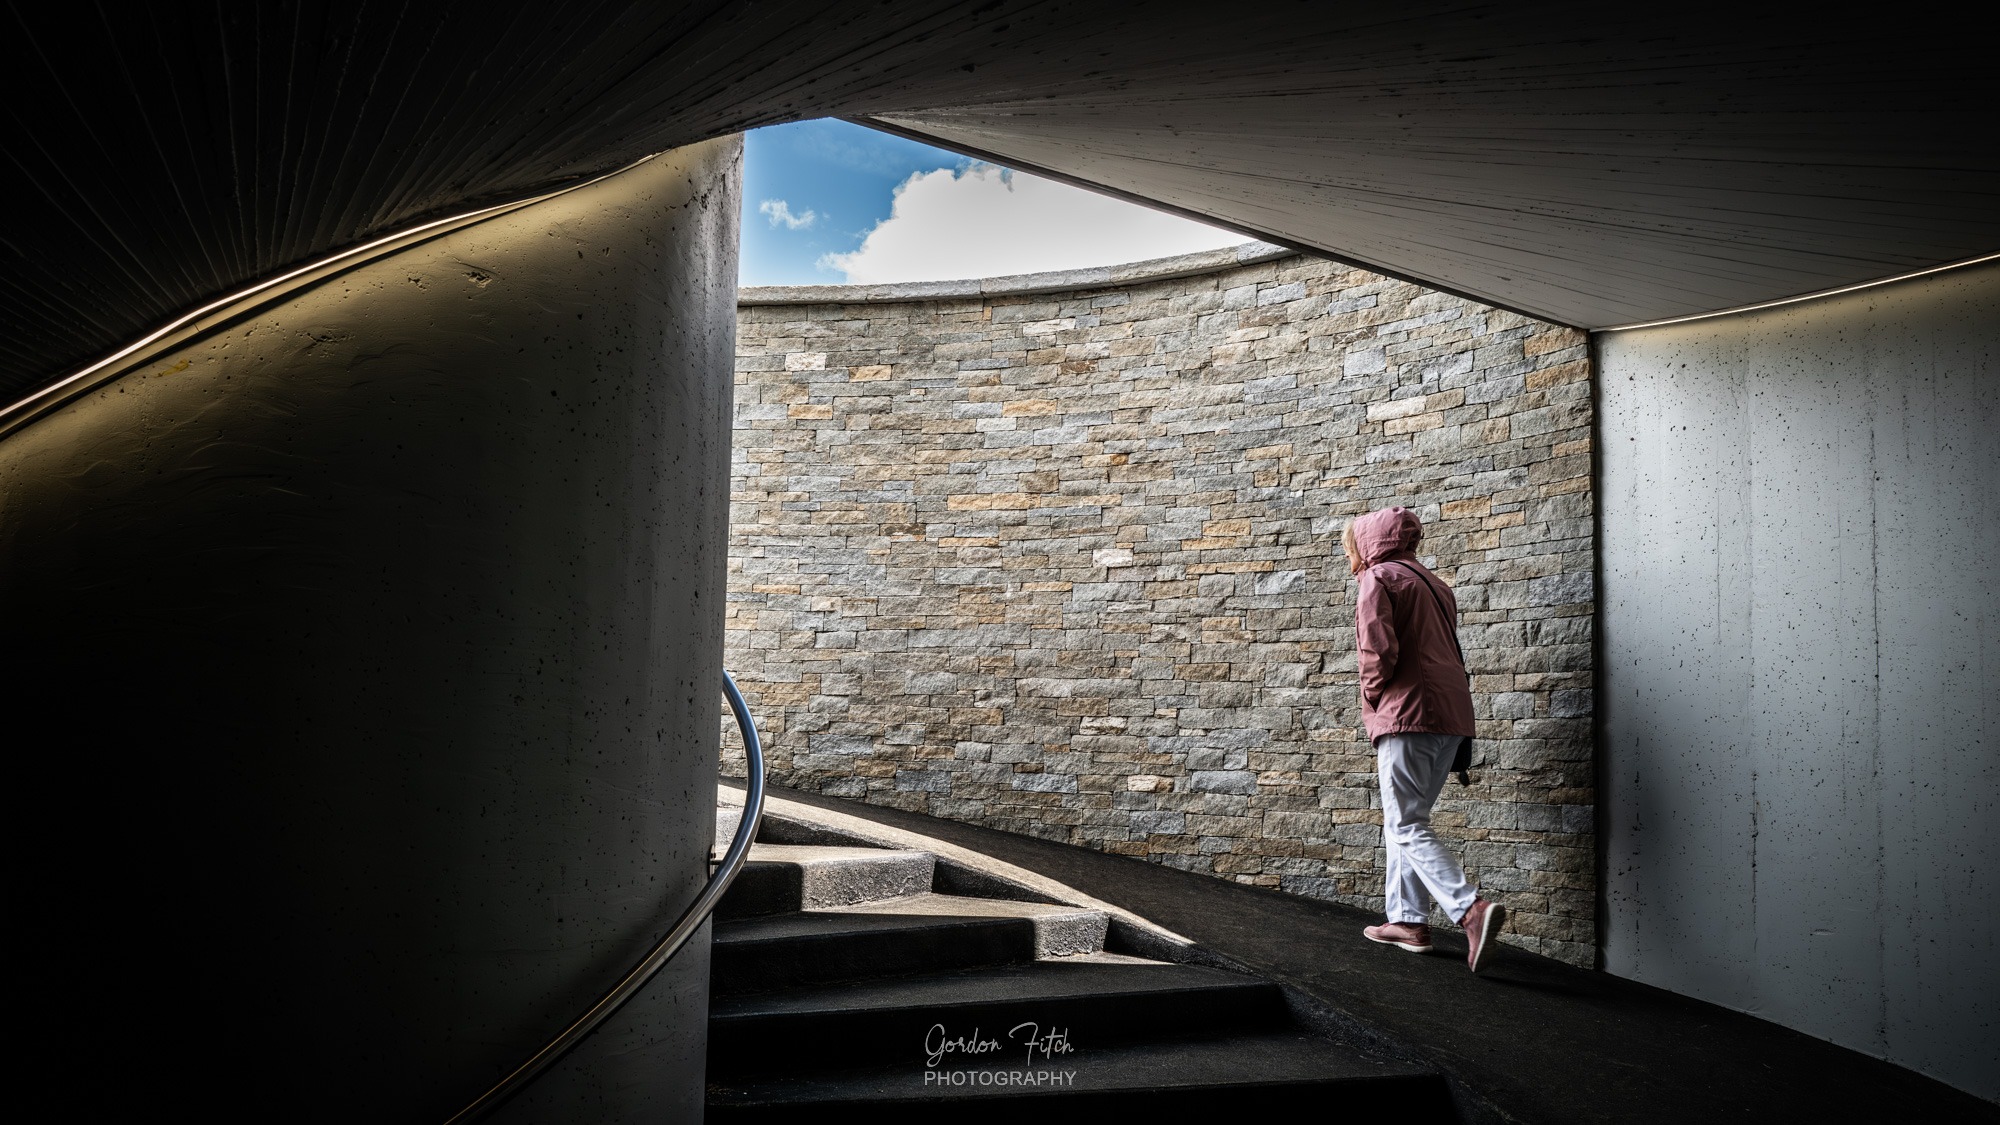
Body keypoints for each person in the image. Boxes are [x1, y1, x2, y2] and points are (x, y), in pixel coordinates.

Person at [1343, 505, 1506, 973]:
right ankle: (1407, 922)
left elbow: (1376, 651)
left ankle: (1469, 910)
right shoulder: (1435, 583)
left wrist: (1374, 699)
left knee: (1406, 823)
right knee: (1406, 819)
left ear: (1369, 541)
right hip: (1451, 717)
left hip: (1409, 714)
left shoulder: (1380, 579)